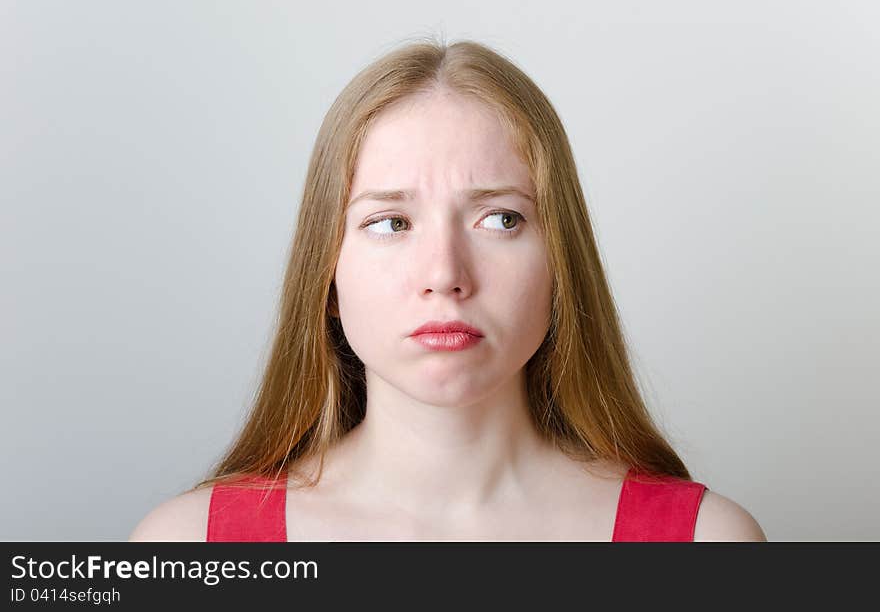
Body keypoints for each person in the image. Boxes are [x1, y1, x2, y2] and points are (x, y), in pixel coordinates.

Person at [129, 37, 767, 542]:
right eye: (391, 223)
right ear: (325, 271)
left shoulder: (706, 543)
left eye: (500, 219)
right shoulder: (187, 548)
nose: (445, 274)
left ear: (561, 263)